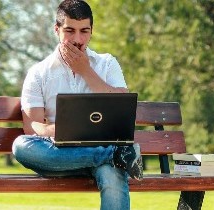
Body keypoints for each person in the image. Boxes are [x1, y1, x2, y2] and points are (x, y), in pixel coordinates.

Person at [11, 1, 142, 209]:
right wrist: (63, 130)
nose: (78, 40)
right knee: (20, 146)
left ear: (91, 31)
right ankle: (111, 155)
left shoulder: (107, 63)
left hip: (100, 147)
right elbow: (32, 127)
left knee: (113, 172)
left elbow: (121, 106)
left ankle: (110, 156)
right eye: (70, 31)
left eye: (84, 31)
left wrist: (85, 71)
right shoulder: (38, 73)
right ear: (57, 29)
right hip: (59, 157)